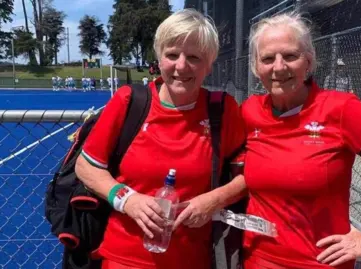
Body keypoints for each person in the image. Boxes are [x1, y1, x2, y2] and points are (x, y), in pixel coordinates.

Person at [241, 12, 361, 269]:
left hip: (319, 263)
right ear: (256, 67)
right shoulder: (250, 111)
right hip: (258, 259)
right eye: (268, 58)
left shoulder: (341, 109)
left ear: (309, 61)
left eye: (290, 56)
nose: (279, 67)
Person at [75, 9, 246, 269]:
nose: (181, 66)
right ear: (159, 57)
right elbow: (86, 166)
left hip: (193, 259)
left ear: (210, 64)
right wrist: (127, 199)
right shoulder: (129, 101)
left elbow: (249, 175)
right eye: (172, 55)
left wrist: (213, 200)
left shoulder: (223, 110)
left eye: (194, 57)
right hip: (124, 258)